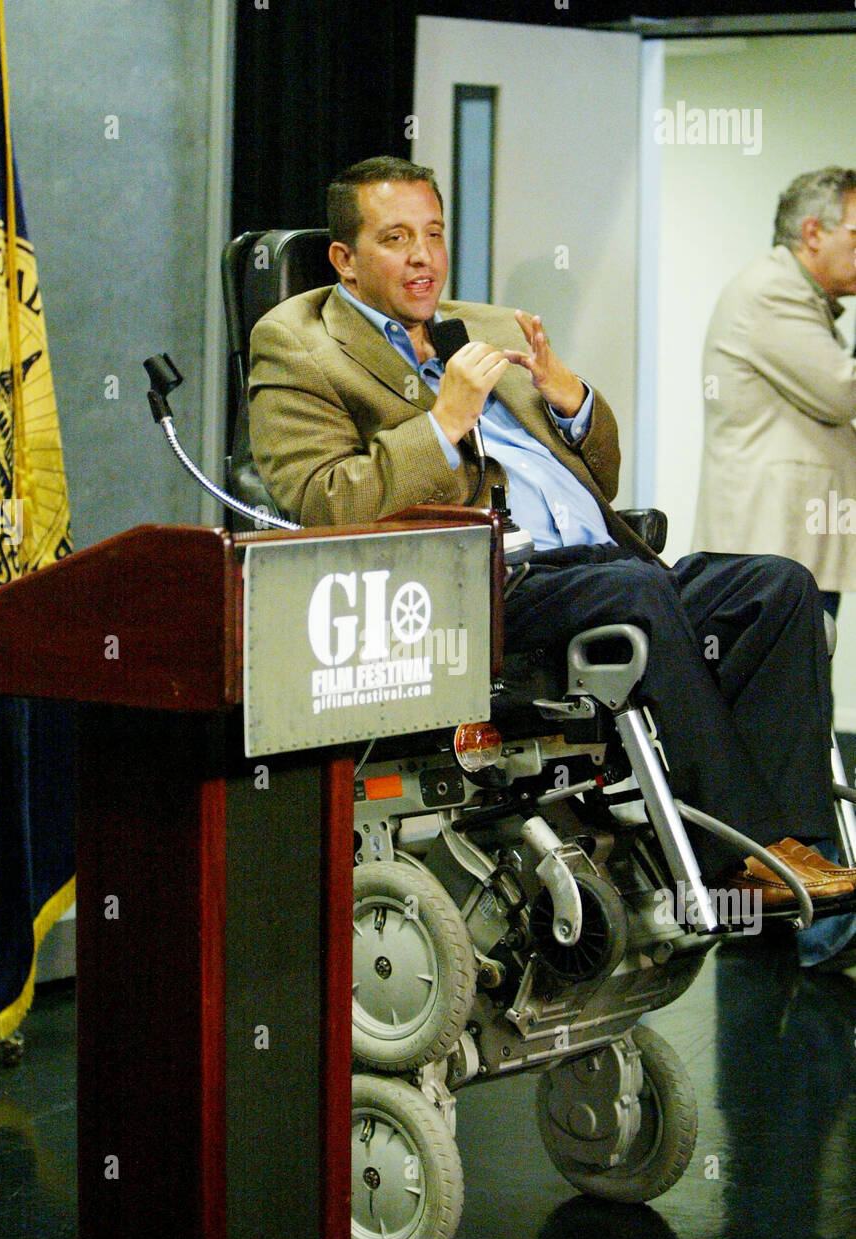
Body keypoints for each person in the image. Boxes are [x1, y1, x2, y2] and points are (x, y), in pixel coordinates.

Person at [248, 155, 856, 962]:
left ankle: (803, 856)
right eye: (396, 239)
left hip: (603, 563)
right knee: (637, 592)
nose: (424, 256)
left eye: (433, 234)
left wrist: (576, 404)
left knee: (778, 587)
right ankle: (739, 861)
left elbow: (592, 478)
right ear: (345, 259)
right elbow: (326, 501)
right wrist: (442, 422)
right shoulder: (298, 345)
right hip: (486, 587)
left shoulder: (488, 326)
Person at [694, 167, 856, 620]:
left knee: (804, 685)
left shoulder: (794, 293)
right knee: (789, 689)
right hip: (770, 553)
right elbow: (843, 393)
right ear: (813, 232)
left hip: (787, 548)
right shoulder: (774, 292)